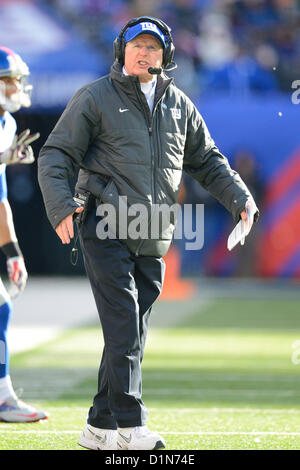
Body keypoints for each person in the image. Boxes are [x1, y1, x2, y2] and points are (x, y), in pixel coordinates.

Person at [38, 16, 259, 450]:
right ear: (121, 51)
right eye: (137, 46)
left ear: (166, 56)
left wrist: (242, 200)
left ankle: (98, 427)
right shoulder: (95, 97)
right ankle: (130, 427)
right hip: (105, 224)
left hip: (154, 232)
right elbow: (56, 154)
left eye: (153, 48)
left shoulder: (179, 104)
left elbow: (209, 161)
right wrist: (62, 206)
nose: (144, 53)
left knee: (131, 333)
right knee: (123, 326)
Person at [0, 46, 48, 422]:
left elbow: (0, 198)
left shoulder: (7, 125)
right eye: (12, 79)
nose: (18, 86)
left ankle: (3, 396)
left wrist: (11, 250)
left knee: (2, 305)